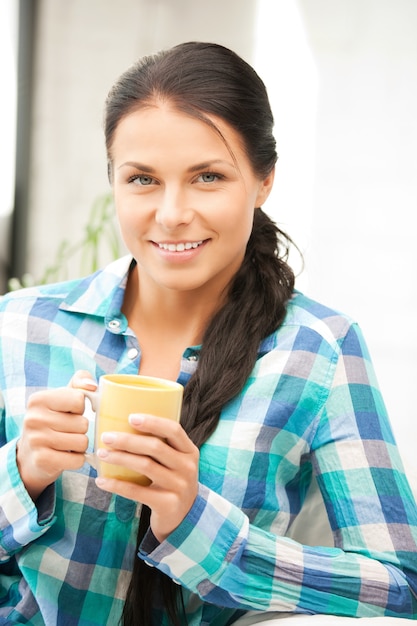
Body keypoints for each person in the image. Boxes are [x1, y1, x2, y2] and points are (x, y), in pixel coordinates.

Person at [0, 41, 416, 626]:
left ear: (263, 180)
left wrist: (196, 525)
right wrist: (21, 472)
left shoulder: (319, 349)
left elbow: (400, 587)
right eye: (142, 179)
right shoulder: (18, 326)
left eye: (207, 177)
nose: (171, 213)